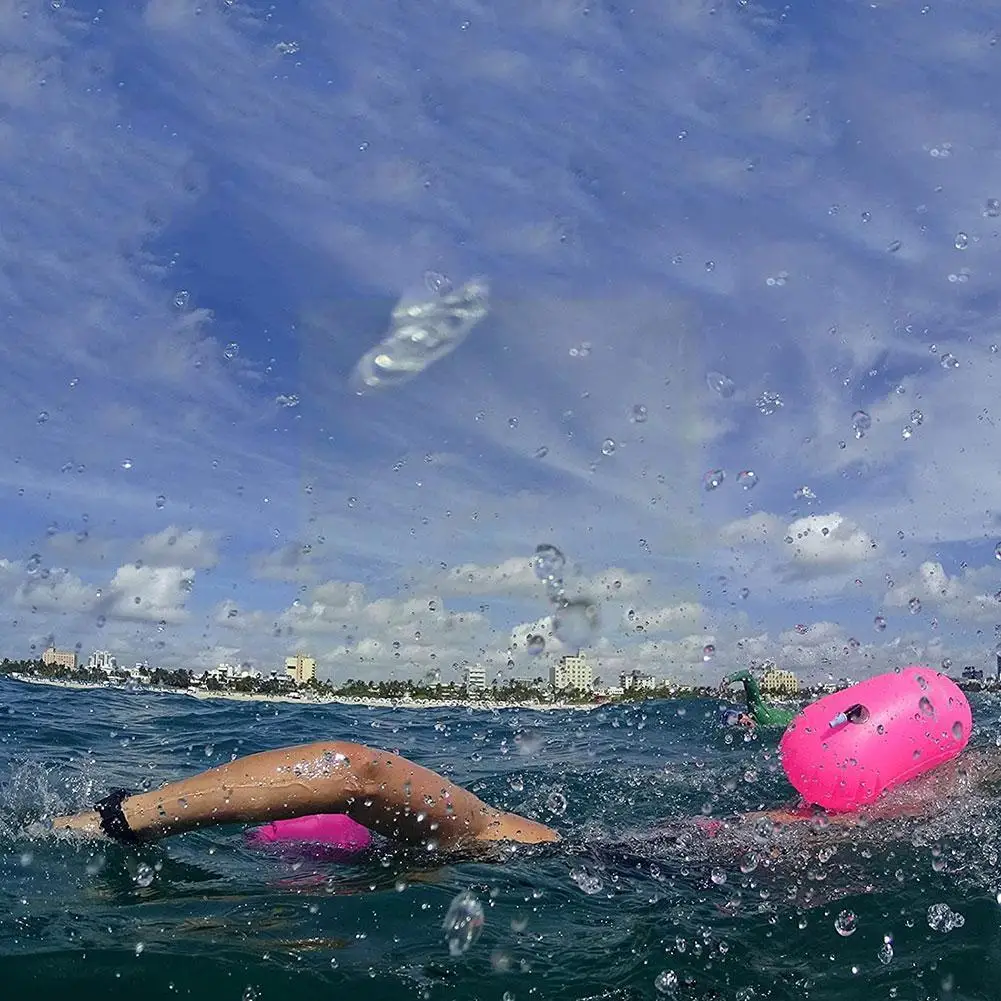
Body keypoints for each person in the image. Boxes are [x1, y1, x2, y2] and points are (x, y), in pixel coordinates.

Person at [51, 739, 561, 852]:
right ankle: (124, 818)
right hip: (539, 856)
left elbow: (354, 774)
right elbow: (355, 774)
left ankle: (122, 817)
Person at [720, 669, 796, 728]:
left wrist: (729, 679)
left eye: (740, 716)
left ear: (743, 714)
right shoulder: (756, 731)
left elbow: (747, 676)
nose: (742, 721)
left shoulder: (755, 709)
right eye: (738, 723)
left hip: (798, 719)